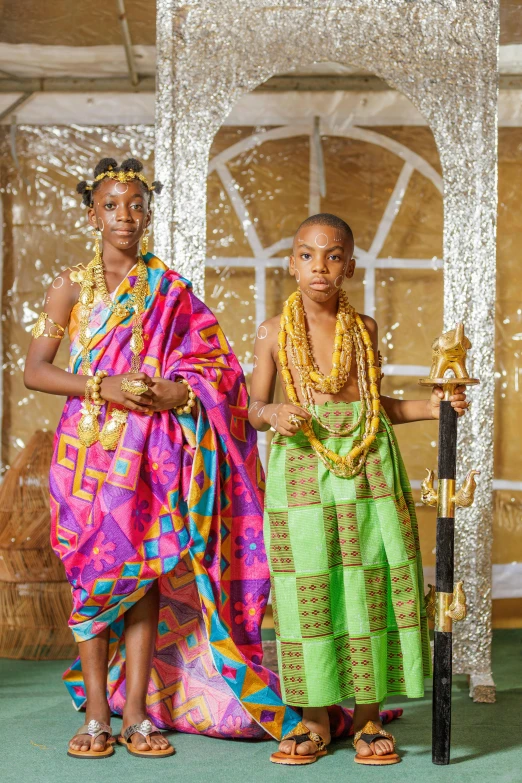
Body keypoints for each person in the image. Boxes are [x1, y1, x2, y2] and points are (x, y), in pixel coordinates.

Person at [24, 157, 315, 759]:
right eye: (110, 205)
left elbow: (216, 366)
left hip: (152, 452)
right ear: (92, 214)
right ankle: (98, 715)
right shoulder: (70, 287)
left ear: (148, 212)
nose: (124, 216)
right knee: (91, 575)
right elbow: (36, 371)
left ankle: (135, 715)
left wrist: (179, 392)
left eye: (135, 205)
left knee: (144, 572)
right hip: (85, 450)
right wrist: (103, 386)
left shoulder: (171, 289)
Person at [249, 213, 468, 766]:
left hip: (370, 468)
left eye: (332, 255)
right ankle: (315, 718)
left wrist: (431, 407)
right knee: (307, 589)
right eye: (306, 254)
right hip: (301, 467)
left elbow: (377, 406)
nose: (319, 267)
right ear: (290, 262)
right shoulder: (274, 331)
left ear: (349, 264)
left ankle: (368, 717)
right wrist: (273, 411)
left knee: (371, 582)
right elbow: (249, 410)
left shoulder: (363, 329)